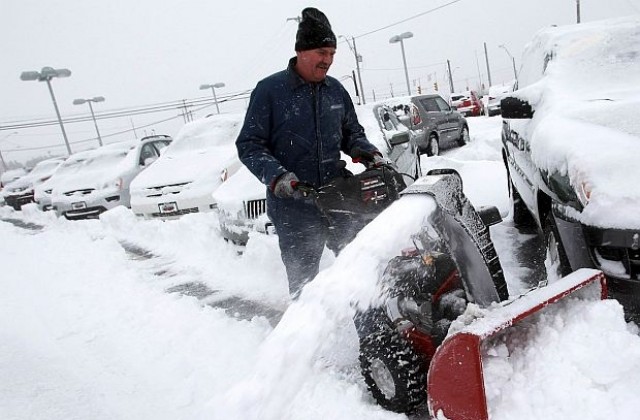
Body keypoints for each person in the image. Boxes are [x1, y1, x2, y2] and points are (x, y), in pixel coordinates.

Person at [236, 7, 384, 299]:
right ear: (301, 51)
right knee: (305, 287)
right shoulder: (270, 91)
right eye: (321, 52)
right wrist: (277, 177)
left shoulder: (335, 91)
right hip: (294, 206)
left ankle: (372, 337)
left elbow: (351, 132)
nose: (327, 60)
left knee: (360, 271)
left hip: (337, 195)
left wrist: (366, 152)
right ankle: (307, 339)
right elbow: (249, 144)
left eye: (331, 53)